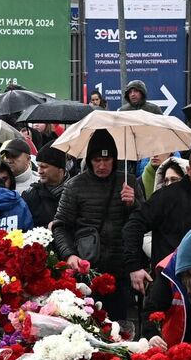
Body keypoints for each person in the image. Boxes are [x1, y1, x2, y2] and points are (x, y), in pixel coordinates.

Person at [125, 148, 191, 320]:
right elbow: (133, 225)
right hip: (167, 283)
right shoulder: (166, 197)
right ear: (188, 170)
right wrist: (134, 266)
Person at [53, 130, 138, 326]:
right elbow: (60, 226)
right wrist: (69, 255)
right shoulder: (74, 186)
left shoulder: (128, 182)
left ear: (115, 160)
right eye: (97, 160)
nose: (101, 165)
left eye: (106, 160)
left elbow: (142, 221)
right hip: (87, 268)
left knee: (119, 327)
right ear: (89, 160)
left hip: (120, 269)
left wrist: (133, 203)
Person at [22, 146, 69, 228]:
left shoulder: (76, 191)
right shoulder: (30, 195)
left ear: (60, 169)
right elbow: (26, 229)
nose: (39, 171)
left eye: (44, 167)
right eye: (38, 166)